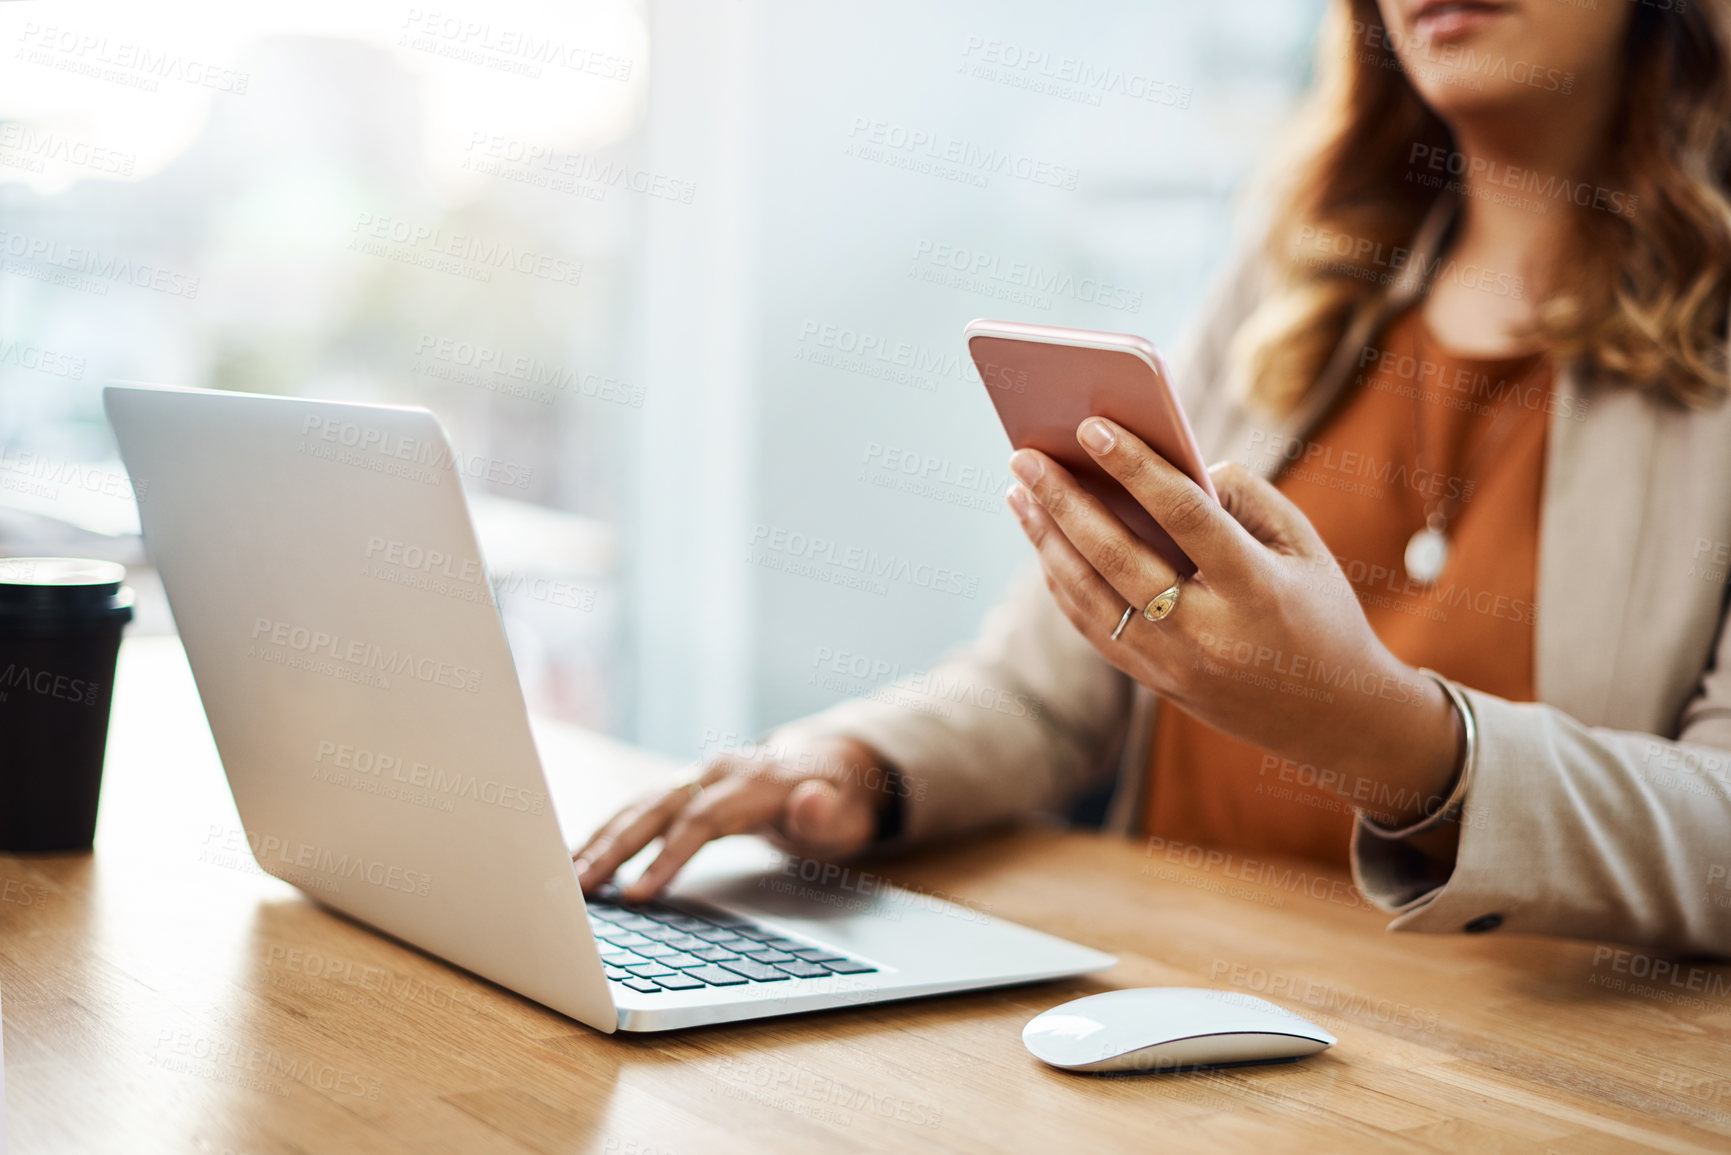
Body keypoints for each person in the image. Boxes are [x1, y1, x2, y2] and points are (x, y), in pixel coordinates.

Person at [575, 0, 1731, 955]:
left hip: (1494, 1080)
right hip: (1160, 1013)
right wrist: (852, 765)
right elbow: (1042, 693)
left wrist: (1391, 742)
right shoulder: (1299, 278)